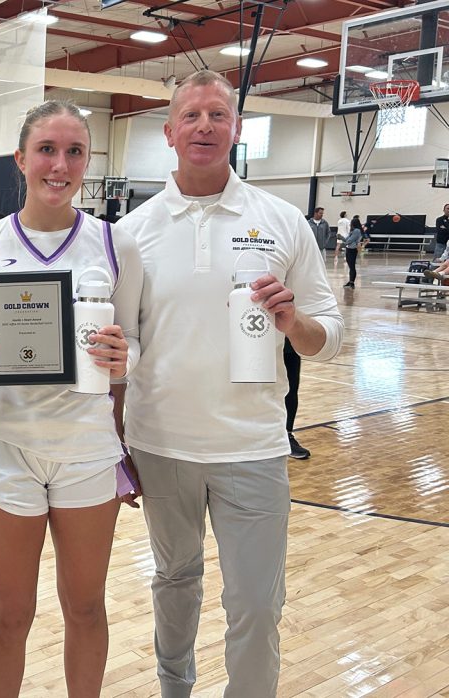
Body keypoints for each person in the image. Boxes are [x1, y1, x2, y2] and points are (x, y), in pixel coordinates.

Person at [113, 69, 344, 697]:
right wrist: (115, 440)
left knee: (255, 605)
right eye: (192, 115)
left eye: (218, 114)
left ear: (237, 129)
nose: (205, 125)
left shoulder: (283, 221)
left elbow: (328, 337)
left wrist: (294, 321)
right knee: (174, 583)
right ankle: (173, 689)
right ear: (169, 132)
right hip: (161, 444)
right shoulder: (132, 233)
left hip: (252, 447)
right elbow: (126, 342)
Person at [0, 100, 142, 697]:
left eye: (74, 151)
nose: (60, 165)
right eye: (47, 150)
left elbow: (135, 346)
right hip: (7, 446)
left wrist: (123, 354)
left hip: (87, 448)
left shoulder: (116, 244)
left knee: (85, 608)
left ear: (88, 161)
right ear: (21, 159)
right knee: (10, 614)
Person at [343, 216, 364, 289]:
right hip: (349, 249)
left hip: (352, 249)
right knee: (350, 266)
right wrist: (345, 240)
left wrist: (345, 241)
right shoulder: (353, 230)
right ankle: (350, 281)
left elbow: (349, 240)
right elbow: (346, 239)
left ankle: (352, 283)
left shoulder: (357, 231)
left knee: (352, 267)